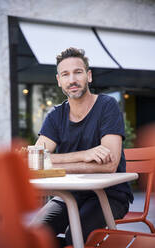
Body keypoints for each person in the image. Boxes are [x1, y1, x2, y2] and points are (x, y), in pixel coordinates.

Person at [34, 47, 133, 247]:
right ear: (59, 80)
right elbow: (35, 160)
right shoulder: (55, 116)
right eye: (65, 74)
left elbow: (109, 166)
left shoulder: (107, 106)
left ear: (88, 76)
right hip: (68, 195)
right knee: (35, 235)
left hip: (108, 195)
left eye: (78, 72)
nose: (72, 80)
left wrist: (52, 164)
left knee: (75, 236)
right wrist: (85, 155)